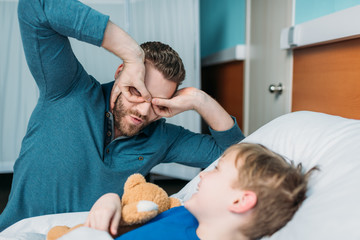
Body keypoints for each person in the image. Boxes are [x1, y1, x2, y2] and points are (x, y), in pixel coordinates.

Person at [0, 0, 244, 231]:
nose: (144, 110)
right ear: (121, 72)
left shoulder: (162, 138)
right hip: (16, 232)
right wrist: (132, 55)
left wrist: (200, 101)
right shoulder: (67, 89)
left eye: (157, 103)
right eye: (138, 92)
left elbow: (238, 158)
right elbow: (36, 7)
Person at [84, 143, 318, 240]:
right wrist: (110, 199)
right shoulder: (182, 212)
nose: (203, 174)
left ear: (239, 200)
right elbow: (131, 213)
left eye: (217, 169)